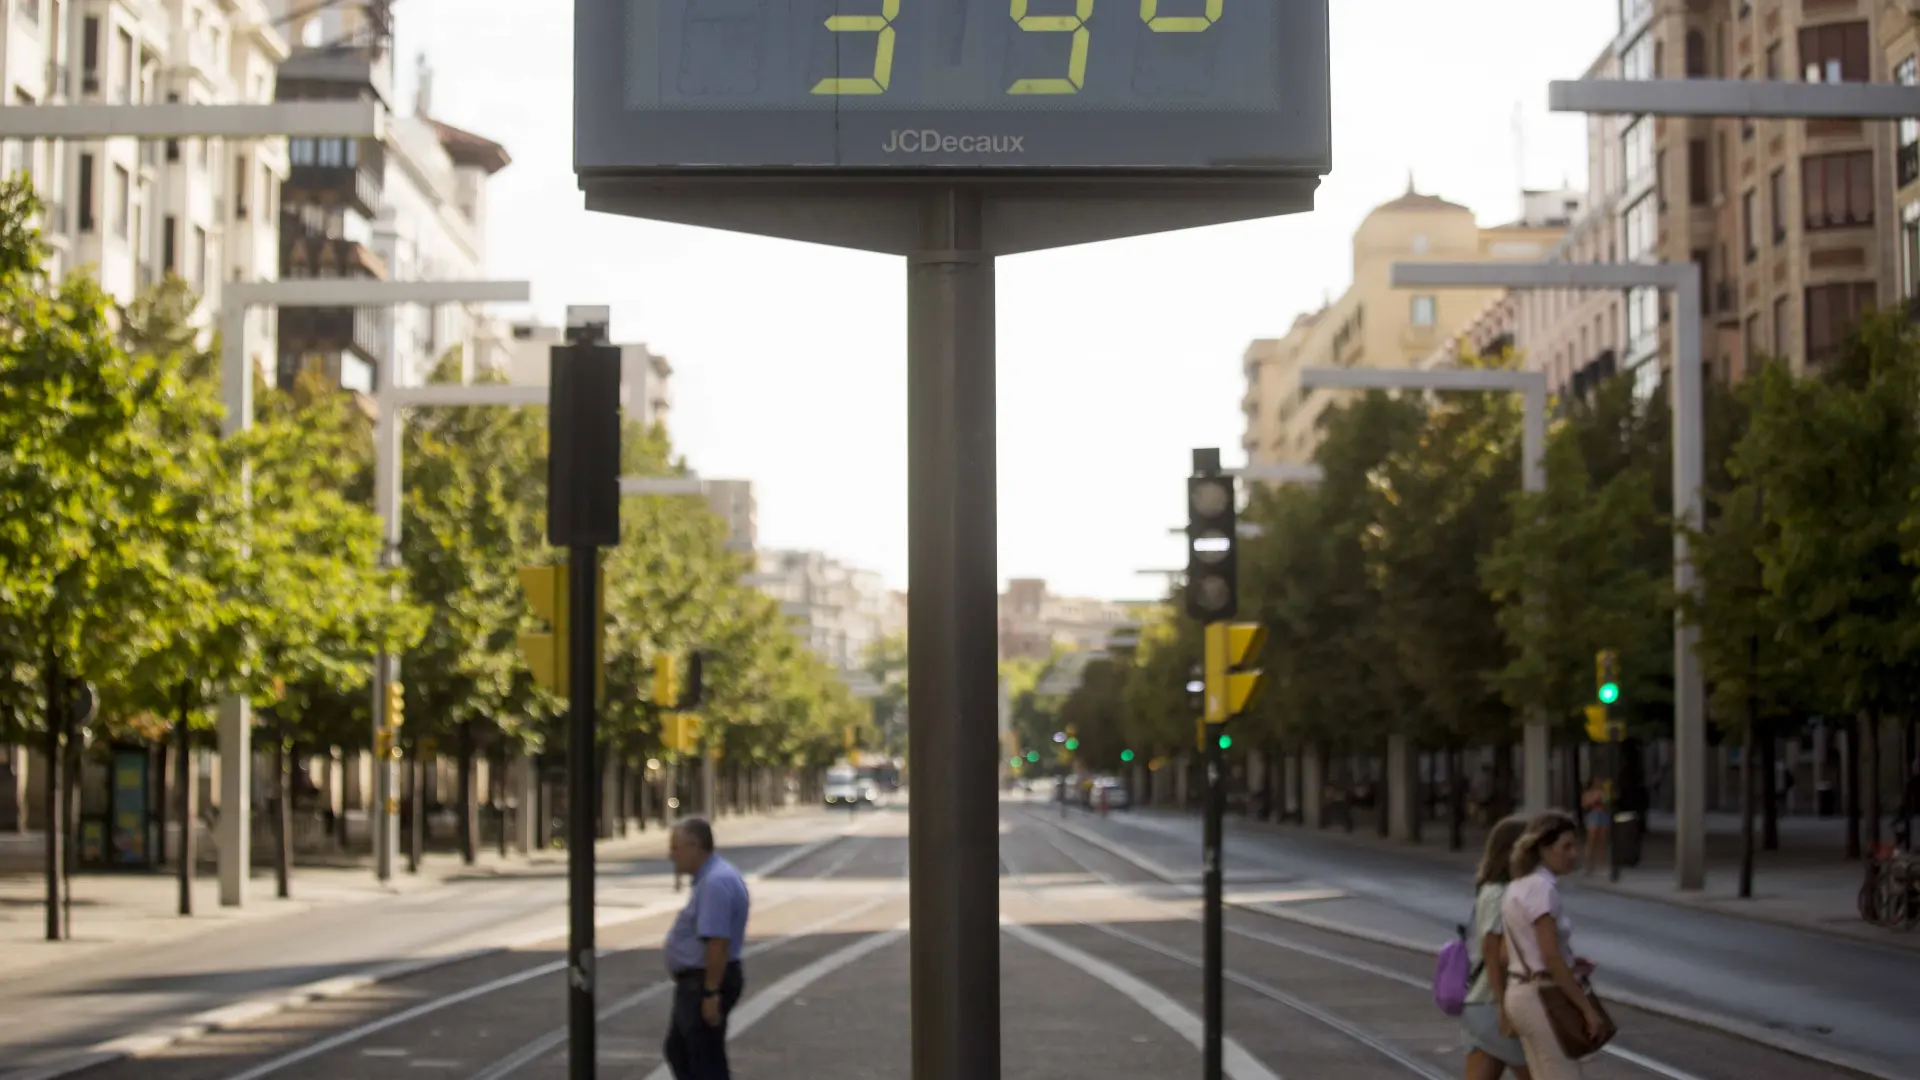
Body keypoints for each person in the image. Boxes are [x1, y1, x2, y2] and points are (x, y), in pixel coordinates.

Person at [1501, 811, 1602, 1080]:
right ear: (1545, 849)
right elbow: (1550, 957)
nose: (1573, 853)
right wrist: (1586, 1009)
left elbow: (1507, 951)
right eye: (1566, 846)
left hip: (1519, 992)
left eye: (1574, 845)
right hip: (1543, 996)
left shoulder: (1517, 885)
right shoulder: (1542, 889)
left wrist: (1569, 960)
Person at [663, 817, 751, 1080]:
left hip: (704, 980)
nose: (671, 856)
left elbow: (717, 942)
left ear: (694, 846)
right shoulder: (715, 876)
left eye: (675, 848)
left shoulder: (714, 882)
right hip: (702, 980)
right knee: (682, 1050)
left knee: (703, 1059)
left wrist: (710, 992)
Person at [1462, 815, 1532, 1080]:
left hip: (1483, 1006)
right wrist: (1505, 1010)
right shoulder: (1499, 893)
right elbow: (1494, 956)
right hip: (1493, 1005)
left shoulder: (1493, 890)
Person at [1579, 779, 1608, 876]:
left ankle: (1601, 865)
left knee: (1602, 841)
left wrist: (1603, 800)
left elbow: (1607, 802)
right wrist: (1592, 801)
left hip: (1602, 814)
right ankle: (1588, 865)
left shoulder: (1602, 792)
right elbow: (1584, 805)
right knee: (1591, 840)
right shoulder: (1587, 794)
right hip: (1592, 815)